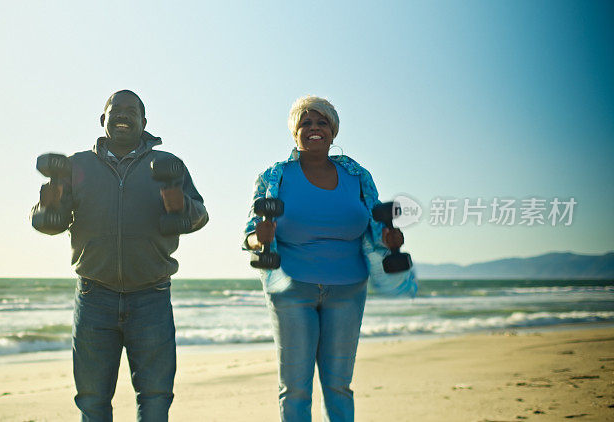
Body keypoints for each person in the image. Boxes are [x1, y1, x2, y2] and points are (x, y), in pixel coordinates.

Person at [31, 90, 208, 421]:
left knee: (155, 398)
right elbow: (48, 223)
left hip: (151, 296)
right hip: (94, 296)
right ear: (103, 120)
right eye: (116, 110)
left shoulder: (169, 164)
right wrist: (47, 206)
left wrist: (180, 205)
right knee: (92, 399)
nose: (123, 115)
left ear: (144, 122)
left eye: (132, 111)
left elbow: (199, 215)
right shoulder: (75, 165)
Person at [243, 95, 416, 421]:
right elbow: (250, 236)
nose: (314, 128)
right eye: (305, 122)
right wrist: (259, 238)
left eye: (321, 122)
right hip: (291, 287)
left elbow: (376, 227)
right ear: (295, 132)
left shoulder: (357, 176)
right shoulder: (274, 177)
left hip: (348, 289)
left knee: (339, 386)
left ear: (333, 131)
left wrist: (389, 238)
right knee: (295, 388)